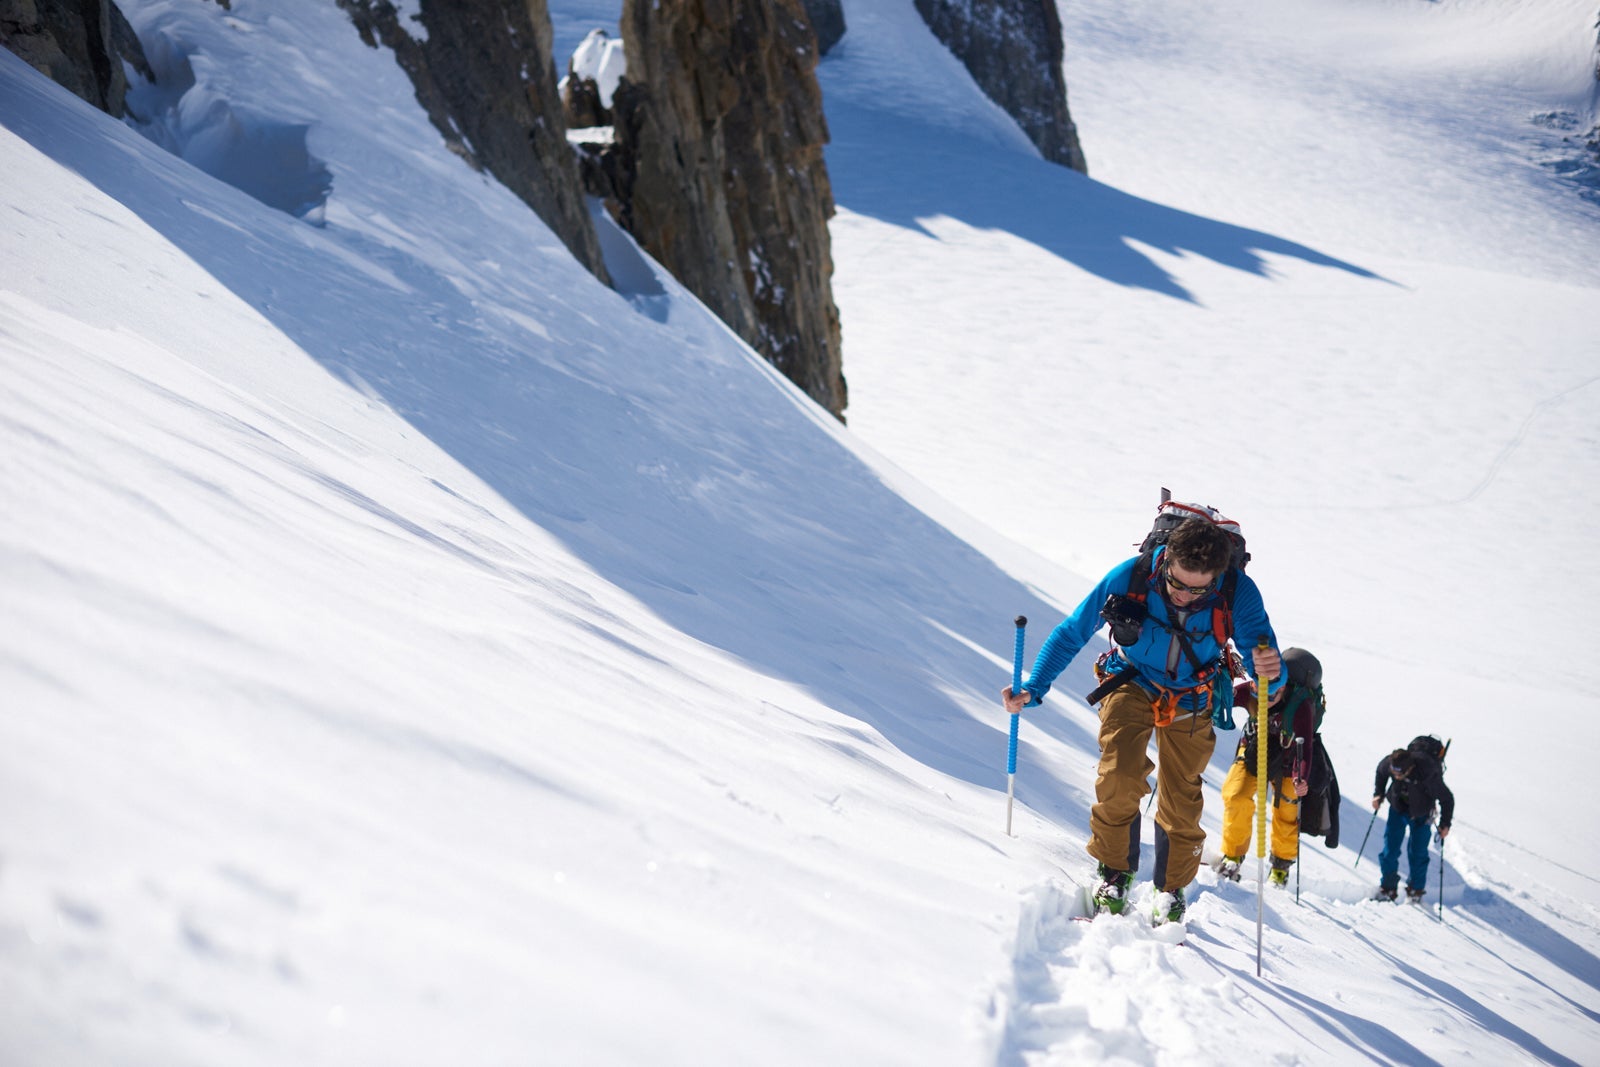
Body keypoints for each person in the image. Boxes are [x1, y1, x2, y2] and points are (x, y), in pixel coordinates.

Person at [1003, 517, 1283, 923]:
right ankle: (1114, 873)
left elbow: (1268, 666)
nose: (1186, 596)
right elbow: (1072, 632)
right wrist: (1034, 687)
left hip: (1194, 693)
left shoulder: (1238, 592)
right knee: (1119, 774)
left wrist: (1272, 679)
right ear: (1165, 558)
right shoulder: (1131, 575)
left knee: (1182, 797)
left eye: (1198, 589)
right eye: (1177, 584)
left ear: (1218, 575)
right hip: (1130, 679)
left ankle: (1170, 890)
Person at [1215, 648, 1325, 887]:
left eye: (1272, 694)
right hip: (1255, 748)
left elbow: (1304, 749)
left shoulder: (1302, 707)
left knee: (1286, 812)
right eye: (1258, 690)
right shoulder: (1252, 690)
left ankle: (1280, 867)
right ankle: (1232, 855)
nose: (1264, 698)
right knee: (1236, 794)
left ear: (1284, 687)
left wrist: (1300, 778)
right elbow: (1221, 698)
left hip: (1289, 758)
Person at [1372, 741, 1454, 901]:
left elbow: (1447, 799)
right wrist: (1378, 793)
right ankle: (1388, 887)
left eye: (1399, 774)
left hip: (1421, 814)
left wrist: (1445, 824)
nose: (1395, 776)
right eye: (1393, 773)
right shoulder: (1391, 763)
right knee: (1390, 849)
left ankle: (1415, 890)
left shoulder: (1428, 772)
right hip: (1397, 809)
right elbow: (1381, 773)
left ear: (1409, 768)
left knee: (1418, 852)